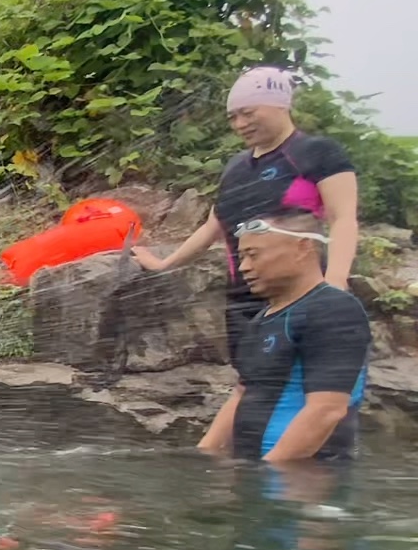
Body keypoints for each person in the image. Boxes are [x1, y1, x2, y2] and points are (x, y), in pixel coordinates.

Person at [132, 66, 360, 351]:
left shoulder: (318, 152)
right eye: (233, 117)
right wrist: (163, 264)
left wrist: (335, 282)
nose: (240, 124)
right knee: (252, 386)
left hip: (302, 298)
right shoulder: (236, 166)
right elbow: (213, 227)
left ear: (280, 105)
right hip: (243, 304)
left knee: (309, 390)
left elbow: (343, 219)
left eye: (248, 113)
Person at [197, 212, 369, 463]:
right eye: (242, 256)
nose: (244, 266)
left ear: (303, 247)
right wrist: (205, 457)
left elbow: (327, 410)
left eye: (254, 255)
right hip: (254, 472)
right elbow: (242, 394)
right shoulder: (262, 319)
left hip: (304, 480)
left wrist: (269, 471)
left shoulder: (333, 309)